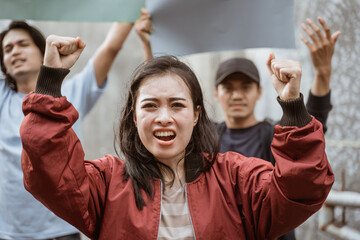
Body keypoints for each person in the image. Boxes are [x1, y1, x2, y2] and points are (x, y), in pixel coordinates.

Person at [20, 33, 333, 240]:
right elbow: (51, 174)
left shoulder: (238, 178)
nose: (164, 117)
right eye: (150, 105)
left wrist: (292, 106)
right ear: (134, 115)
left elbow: (301, 191)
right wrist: (49, 84)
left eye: (177, 104)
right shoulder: (106, 183)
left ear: (197, 114)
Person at [0, 21, 133, 240]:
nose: (15, 51)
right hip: (11, 232)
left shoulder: (70, 94)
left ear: (42, 52)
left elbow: (110, 48)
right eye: (8, 49)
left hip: (62, 229)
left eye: (23, 44)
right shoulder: (3, 98)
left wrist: (130, 9)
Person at [213, 17, 340, 240]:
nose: (237, 95)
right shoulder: (206, 137)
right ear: (216, 94)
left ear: (259, 92)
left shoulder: (276, 134)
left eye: (245, 86)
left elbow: (309, 129)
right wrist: (150, 50)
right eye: (228, 87)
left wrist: (322, 73)